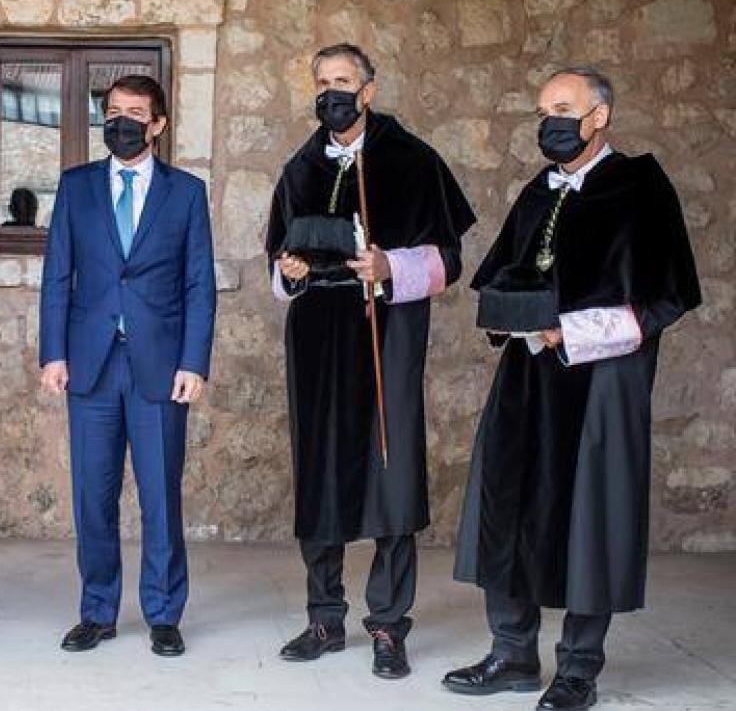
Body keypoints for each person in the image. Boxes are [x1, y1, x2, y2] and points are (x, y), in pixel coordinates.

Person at [444, 67, 701, 711]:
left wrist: (573, 332)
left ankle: (578, 669)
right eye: (541, 112)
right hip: (528, 379)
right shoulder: (539, 191)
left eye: (562, 109)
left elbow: (667, 298)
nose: (549, 123)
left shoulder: (640, 186)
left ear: (599, 116)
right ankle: (512, 653)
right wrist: (509, 319)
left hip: (601, 382)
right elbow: (504, 276)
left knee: (591, 519)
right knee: (507, 503)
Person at [263, 44, 475, 679]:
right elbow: (279, 272)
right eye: (322, 81)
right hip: (318, 341)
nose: (332, 91)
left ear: (369, 90)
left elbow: (448, 263)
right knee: (320, 473)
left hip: (388, 334)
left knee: (392, 477)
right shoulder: (299, 169)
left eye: (343, 81)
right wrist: (291, 272)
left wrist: (390, 266)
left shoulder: (413, 162)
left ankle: (387, 624)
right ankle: (325, 617)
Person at [39, 74, 216, 657]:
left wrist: (194, 361)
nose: (121, 121)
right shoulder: (76, 186)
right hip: (89, 364)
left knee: (160, 493)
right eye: (112, 111)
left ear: (157, 124)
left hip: (160, 366)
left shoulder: (187, 193)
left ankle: (164, 613)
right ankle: (97, 610)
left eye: (135, 112)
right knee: (93, 494)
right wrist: (53, 353)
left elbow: (199, 285)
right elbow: (57, 275)